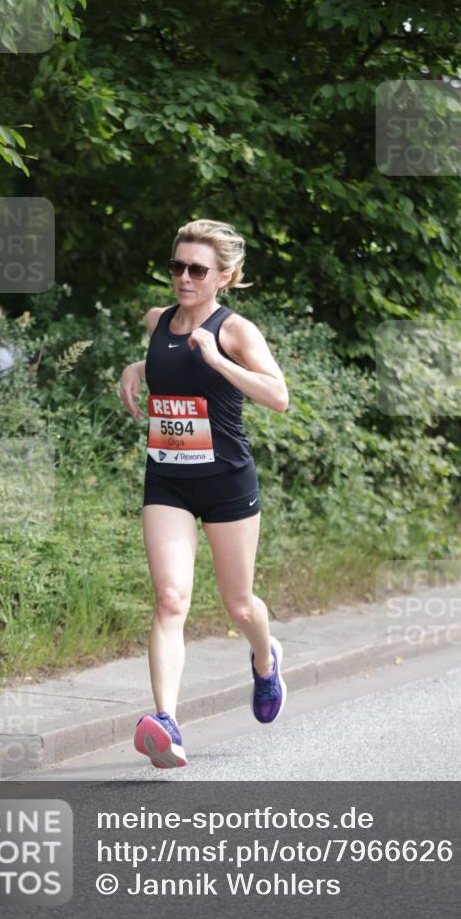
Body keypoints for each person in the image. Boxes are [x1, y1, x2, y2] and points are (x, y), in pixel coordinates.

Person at [119, 219, 289, 769]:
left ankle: (265, 660)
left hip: (226, 482)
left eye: (197, 269)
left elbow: (279, 396)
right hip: (167, 478)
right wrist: (137, 364)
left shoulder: (236, 330)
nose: (184, 277)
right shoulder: (156, 321)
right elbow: (166, 359)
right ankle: (166, 722)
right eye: (177, 266)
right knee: (171, 600)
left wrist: (218, 359)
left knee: (239, 604)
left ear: (225, 276)